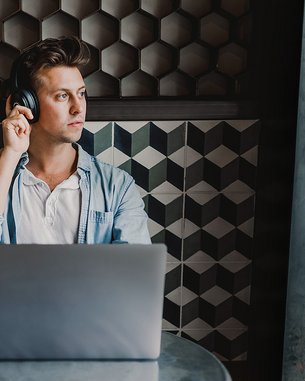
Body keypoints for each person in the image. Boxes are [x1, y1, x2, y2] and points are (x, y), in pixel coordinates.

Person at [0, 36, 151, 244]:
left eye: (81, 94)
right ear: (27, 104)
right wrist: (11, 153)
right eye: (63, 96)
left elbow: (136, 273)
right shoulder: (4, 175)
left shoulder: (118, 186)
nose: (78, 108)